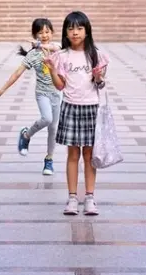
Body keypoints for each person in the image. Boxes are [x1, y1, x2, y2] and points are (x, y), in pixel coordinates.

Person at [46, 11, 108, 216]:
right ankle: (72, 198)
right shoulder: (61, 56)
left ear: (87, 31)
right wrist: (53, 70)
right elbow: (60, 86)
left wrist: (98, 77)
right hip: (70, 107)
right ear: (65, 31)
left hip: (91, 107)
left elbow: (100, 84)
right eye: (71, 28)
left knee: (89, 155)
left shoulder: (96, 55)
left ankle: (90, 198)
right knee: (73, 154)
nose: (75, 32)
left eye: (79, 28)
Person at [0, 18, 61, 175]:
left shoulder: (58, 49)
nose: (44, 35)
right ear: (35, 34)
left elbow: (54, 46)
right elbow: (17, 73)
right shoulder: (32, 55)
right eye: (40, 32)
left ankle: (49, 160)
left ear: (52, 33)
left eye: (47, 32)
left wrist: (41, 46)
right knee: (47, 119)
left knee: (53, 129)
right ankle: (26, 135)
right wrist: (2, 89)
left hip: (57, 94)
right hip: (42, 93)